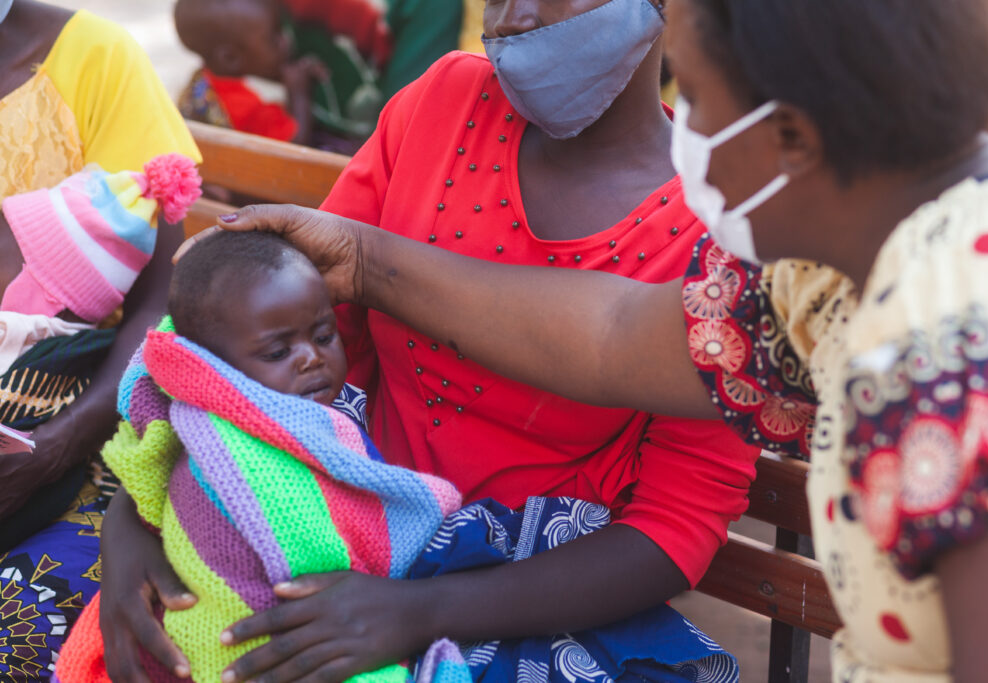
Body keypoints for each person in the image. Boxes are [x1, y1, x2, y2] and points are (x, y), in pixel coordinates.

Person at [195, 0, 988, 680]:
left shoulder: (964, 354)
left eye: (695, 98)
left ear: (795, 139)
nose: (683, 131)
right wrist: (365, 260)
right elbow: (613, 333)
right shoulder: (831, 269)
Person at [99, 0, 761, 681]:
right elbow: (250, 346)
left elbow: (674, 527)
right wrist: (133, 520)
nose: (513, 17)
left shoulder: (721, 227)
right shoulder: (444, 103)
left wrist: (419, 610)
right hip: (327, 531)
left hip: (526, 598)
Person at [53, 231, 466, 683]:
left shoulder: (328, 422)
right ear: (211, 367)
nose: (311, 358)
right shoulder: (217, 447)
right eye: (277, 351)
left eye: (324, 335)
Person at [0, 1, 201, 677]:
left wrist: (56, 447)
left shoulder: (93, 60)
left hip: (83, 443)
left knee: (17, 628)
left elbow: (165, 296)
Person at [175, 0, 462, 149]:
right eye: (275, 36)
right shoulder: (244, 100)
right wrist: (299, 93)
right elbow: (291, 147)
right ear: (230, 58)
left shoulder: (207, 82)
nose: (286, 42)